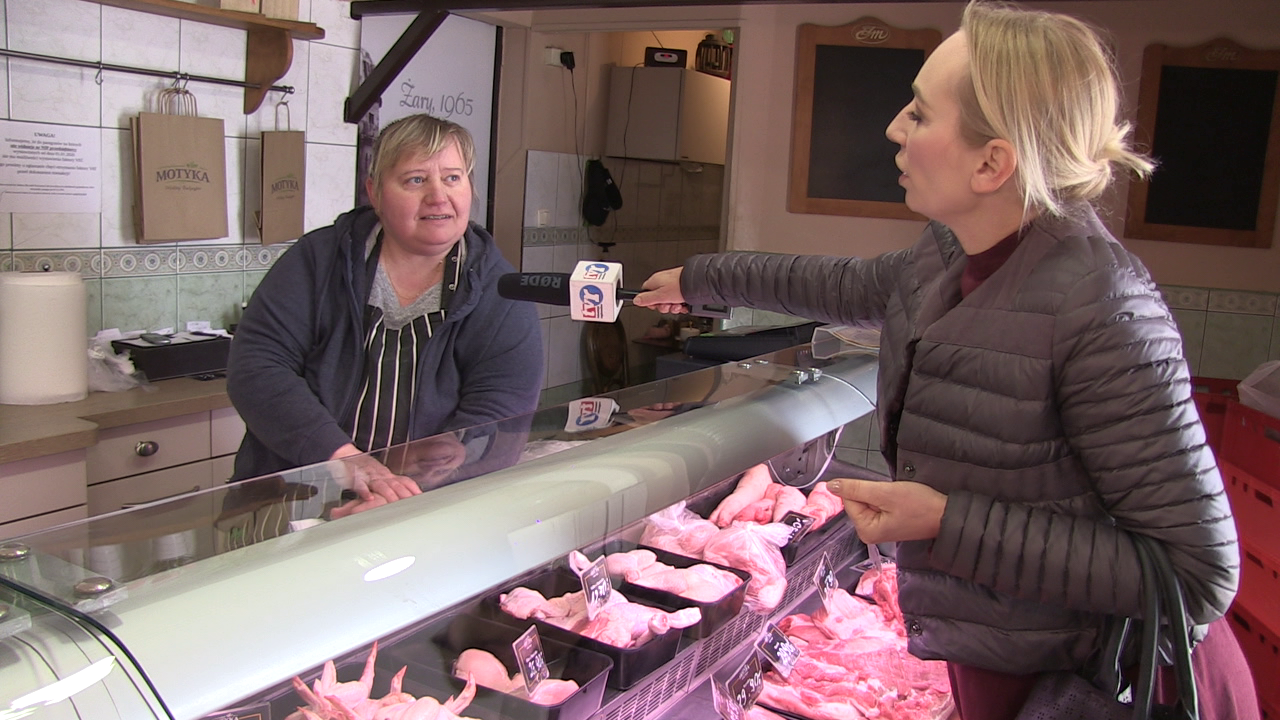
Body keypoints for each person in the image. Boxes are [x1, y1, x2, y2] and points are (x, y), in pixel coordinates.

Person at [634, 3, 1257, 719]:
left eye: (921, 114)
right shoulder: (948, 254)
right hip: (1001, 661)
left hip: (1093, 687)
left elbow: (1197, 574)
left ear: (992, 163)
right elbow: (842, 287)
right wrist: (701, 278)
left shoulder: (1104, 305)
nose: (894, 128)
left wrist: (946, 521)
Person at [227, 114, 543, 516]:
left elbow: (502, 410)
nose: (438, 196)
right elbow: (257, 368)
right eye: (415, 180)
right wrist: (343, 459)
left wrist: (402, 493)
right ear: (374, 192)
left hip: (424, 508)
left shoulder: (500, 290)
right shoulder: (316, 261)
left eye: (452, 178)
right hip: (295, 497)